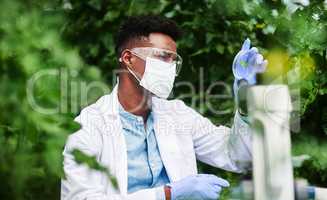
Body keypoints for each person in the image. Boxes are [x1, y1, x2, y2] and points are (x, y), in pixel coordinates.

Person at [61, 15, 267, 200]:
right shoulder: (89, 125)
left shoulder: (178, 114)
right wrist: (167, 194)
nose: (170, 66)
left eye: (173, 59)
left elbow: (236, 156)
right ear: (128, 58)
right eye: (162, 56)